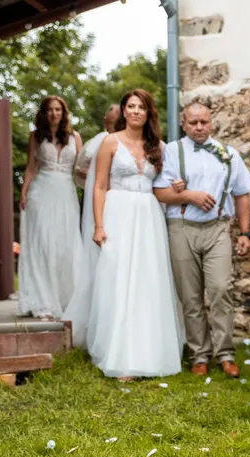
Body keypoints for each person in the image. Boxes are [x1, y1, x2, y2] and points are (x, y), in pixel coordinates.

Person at [153, 102, 250, 378]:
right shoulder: (172, 152)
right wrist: (190, 196)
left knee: (221, 289)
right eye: (193, 123)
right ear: (183, 124)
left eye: (204, 122)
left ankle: (225, 353)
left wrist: (245, 233)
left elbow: (242, 193)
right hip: (181, 226)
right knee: (190, 295)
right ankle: (199, 354)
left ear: (211, 123)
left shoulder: (228, 154)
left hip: (219, 227)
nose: (199, 127)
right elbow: (161, 192)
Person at [86, 89, 183, 380]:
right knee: (118, 280)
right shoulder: (109, 142)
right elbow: (99, 186)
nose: (136, 111)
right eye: (131, 106)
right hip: (118, 214)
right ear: (124, 111)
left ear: (148, 112)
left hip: (149, 216)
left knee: (147, 281)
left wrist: (177, 186)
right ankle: (120, 355)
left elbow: (163, 186)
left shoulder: (160, 147)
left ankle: (149, 353)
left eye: (141, 106)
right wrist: (99, 225)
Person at [19, 95, 83, 319]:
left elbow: (80, 168)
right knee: (43, 245)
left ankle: (66, 298)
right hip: (41, 193)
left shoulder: (75, 137)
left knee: (66, 246)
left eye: (58, 109)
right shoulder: (36, 137)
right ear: (43, 114)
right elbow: (31, 167)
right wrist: (24, 192)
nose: (54, 114)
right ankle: (42, 300)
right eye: (49, 110)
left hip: (66, 193)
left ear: (63, 113)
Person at [64, 103, 120, 347]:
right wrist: (94, 177)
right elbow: (79, 170)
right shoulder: (98, 141)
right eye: (110, 114)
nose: (114, 117)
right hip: (100, 203)